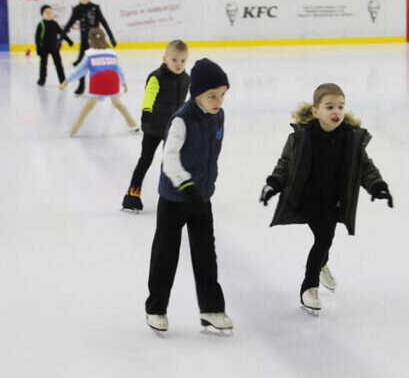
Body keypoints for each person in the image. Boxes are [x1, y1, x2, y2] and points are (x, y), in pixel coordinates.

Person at [259, 83, 393, 315]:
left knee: (326, 238)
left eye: (340, 106)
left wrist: (377, 185)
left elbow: (365, 168)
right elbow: (284, 166)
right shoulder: (300, 138)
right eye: (329, 106)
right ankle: (308, 287)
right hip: (308, 197)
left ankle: (321, 264)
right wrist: (273, 184)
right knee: (323, 237)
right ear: (315, 111)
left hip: (335, 198)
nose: (336, 112)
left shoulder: (350, 139)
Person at [145, 58, 233, 334]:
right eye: (212, 96)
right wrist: (186, 186)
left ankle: (211, 309)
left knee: (206, 254)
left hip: (201, 198)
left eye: (222, 94)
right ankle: (156, 308)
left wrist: (205, 186)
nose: (218, 100)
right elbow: (168, 159)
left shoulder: (218, 115)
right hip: (175, 198)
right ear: (197, 94)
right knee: (166, 254)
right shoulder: (182, 119)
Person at [122, 40, 190, 213]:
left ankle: (174, 195)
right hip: (153, 126)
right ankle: (132, 194)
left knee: (173, 160)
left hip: (173, 128)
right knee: (146, 159)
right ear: (165, 58)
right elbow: (149, 95)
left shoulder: (186, 79)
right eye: (174, 59)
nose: (179, 64)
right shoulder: (156, 76)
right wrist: (146, 110)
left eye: (183, 60)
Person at [60, 29, 137, 135]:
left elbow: (79, 69)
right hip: (112, 79)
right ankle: (133, 124)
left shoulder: (90, 54)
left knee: (87, 107)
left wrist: (67, 80)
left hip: (98, 80)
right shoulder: (112, 53)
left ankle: (73, 130)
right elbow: (118, 68)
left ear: (90, 40)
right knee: (117, 103)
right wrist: (123, 82)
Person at [63, 0, 117, 96]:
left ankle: (105, 85)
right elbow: (69, 23)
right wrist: (61, 37)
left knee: (101, 64)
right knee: (82, 64)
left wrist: (111, 37)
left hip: (97, 41)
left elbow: (104, 23)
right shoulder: (77, 9)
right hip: (84, 41)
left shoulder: (95, 8)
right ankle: (81, 85)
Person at [35, 4, 73, 86]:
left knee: (58, 64)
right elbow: (37, 38)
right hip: (44, 48)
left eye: (50, 13)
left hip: (54, 47)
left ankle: (62, 80)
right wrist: (38, 49)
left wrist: (69, 41)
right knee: (43, 65)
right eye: (47, 13)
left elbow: (62, 33)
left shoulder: (54, 23)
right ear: (42, 14)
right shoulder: (41, 24)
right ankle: (42, 79)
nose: (49, 14)